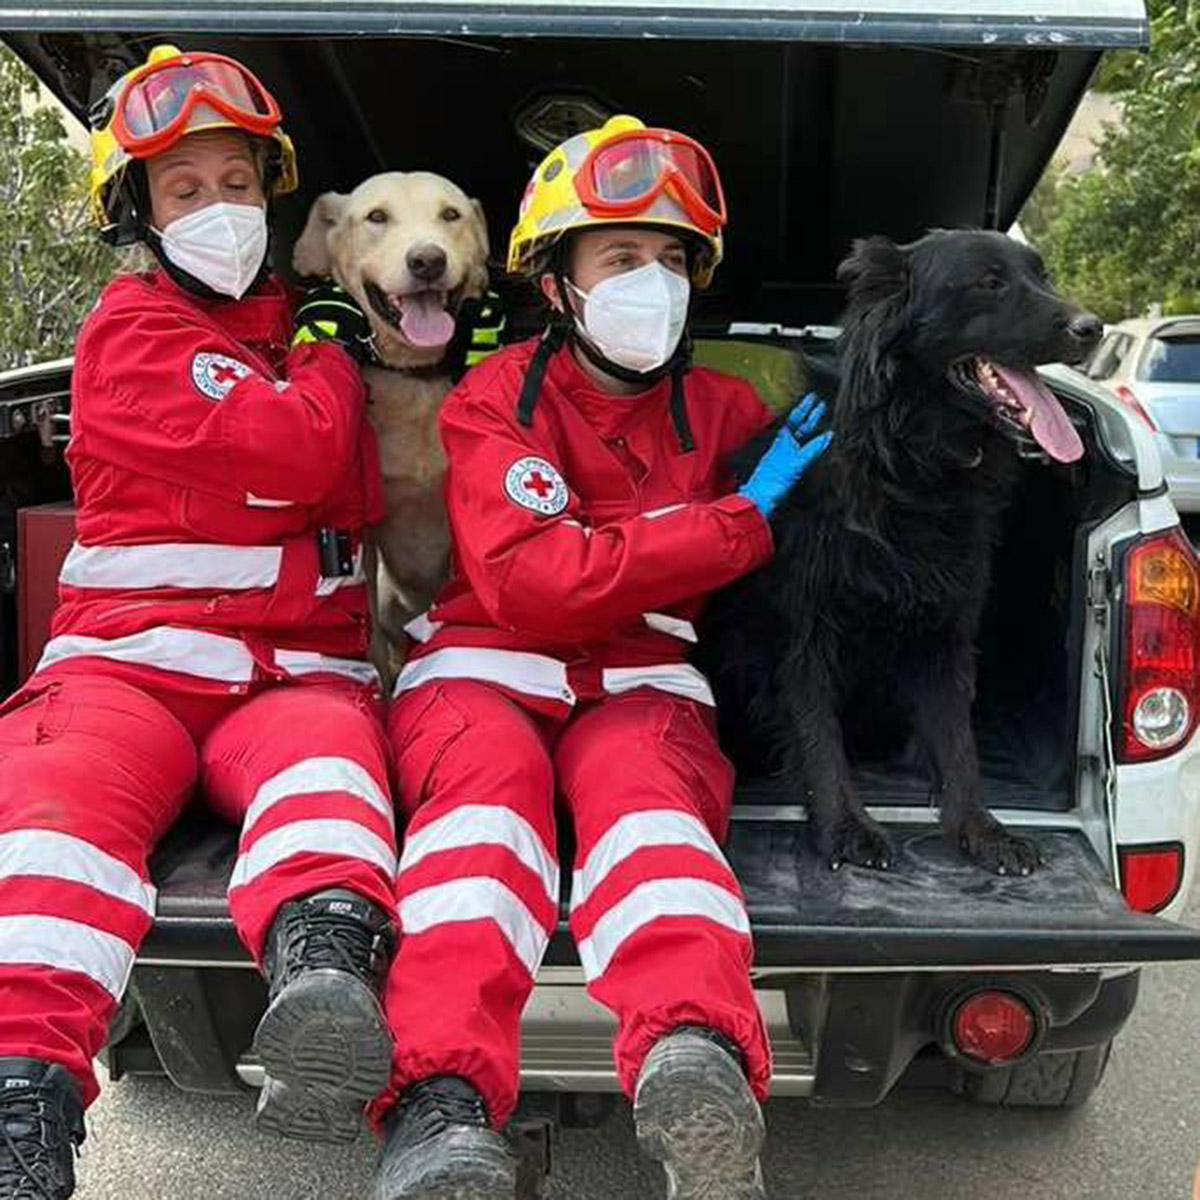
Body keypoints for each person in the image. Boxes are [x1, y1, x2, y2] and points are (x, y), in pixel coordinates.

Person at [370, 114, 831, 1200]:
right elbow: (538, 583)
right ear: (557, 283)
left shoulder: (732, 412)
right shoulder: (494, 402)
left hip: (645, 682)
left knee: (653, 818)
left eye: (673, 260)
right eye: (622, 258)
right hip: (486, 666)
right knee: (483, 819)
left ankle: (695, 1063)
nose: (653, 283)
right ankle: (440, 1107)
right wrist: (732, 524)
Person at [0, 45, 401, 1198]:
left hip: (292, 680)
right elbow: (298, 451)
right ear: (139, 212)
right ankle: (24, 1096)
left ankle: (322, 979)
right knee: (56, 820)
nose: (219, 209)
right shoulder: (130, 336)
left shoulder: (290, 331)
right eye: (185, 190)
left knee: (333, 778)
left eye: (236, 183)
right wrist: (331, 351)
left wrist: (317, 343)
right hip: (130, 670)